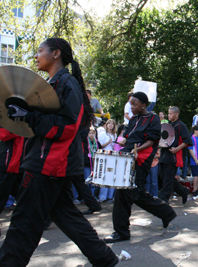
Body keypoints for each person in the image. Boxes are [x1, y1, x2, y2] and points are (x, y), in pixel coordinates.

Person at [1, 37, 118, 266]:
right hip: (51, 163)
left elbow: (66, 125)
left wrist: (29, 116)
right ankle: (105, 259)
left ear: (56, 54)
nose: (36, 55)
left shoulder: (66, 83)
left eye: (40, 50)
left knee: (24, 222)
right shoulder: (53, 83)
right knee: (68, 217)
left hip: (48, 164)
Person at [104, 92, 176, 243]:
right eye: (130, 104)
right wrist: (124, 142)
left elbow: (152, 141)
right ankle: (121, 231)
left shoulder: (153, 118)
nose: (131, 107)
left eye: (134, 104)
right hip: (127, 157)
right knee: (124, 192)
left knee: (136, 193)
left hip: (141, 159)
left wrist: (135, 150)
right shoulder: (134, 119)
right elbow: (129, 136)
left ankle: (166, 213)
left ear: (143, 105)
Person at [158, 106, 192, 204]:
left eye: (171, 113)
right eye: (168, 113)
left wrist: (177, 149)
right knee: (163, 177)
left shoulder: (181, 125)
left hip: (174, 156)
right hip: (164, 155)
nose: (169, 115)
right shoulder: (167, 125)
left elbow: (187, 141)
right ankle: (183, 191)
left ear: (176, 114)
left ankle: (163, 199)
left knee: (168, 180)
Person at [0, 128, 25, 234]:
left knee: (24, 195)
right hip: (11, 164)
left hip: (13, 164)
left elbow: (4, 134)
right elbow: (4, 134)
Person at [97, 119, 117, 202]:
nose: (110, 125)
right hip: (104, 156)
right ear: (106, 125)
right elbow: (100, 146)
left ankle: (110, 196)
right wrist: (108, 143)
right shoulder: (102, 134)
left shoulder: (114, 135)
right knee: (104, 176)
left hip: (112, 156)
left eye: (112, 124)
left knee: (111, 176)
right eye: (109, 123)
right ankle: (102, 196)